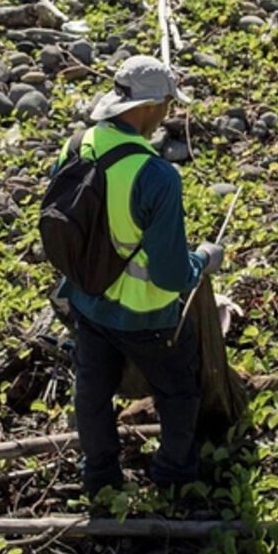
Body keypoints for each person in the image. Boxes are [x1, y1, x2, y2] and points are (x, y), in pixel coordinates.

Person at [55, 55, 225, 498]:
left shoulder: (79, 144)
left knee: (92, 394)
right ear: (149, 108)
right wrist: (204, 260)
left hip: (87, 300)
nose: (168, 113)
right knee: (178, 392)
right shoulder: (157, 176)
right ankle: (172, 476)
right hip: (146, 316)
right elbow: (170, 275)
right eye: (168, 104)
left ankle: (99, 477)